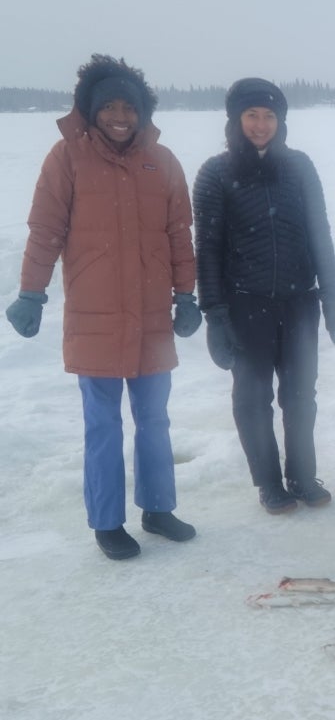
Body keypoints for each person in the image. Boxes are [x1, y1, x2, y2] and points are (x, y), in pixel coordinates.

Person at [5, 54, 200, 560]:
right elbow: (45, 231)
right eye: (109, 106)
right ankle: (107, 521)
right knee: (103, 423)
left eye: (129, 107)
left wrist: (186, 295)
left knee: (155, 419)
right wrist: (32, 293)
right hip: (96, 318)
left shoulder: (164, 162)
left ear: (142, 112)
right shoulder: (66, 158)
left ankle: (158, 509)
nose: (119, 116)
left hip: (154, 316)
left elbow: (180, 236)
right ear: (90, 110)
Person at [192, 78, 335, 514]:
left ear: (280, 121)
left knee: (301, 395)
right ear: (235, 120)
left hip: (300, 302)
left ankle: (302, 475)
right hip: (246, 305)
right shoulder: (215, 173)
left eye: (269, 116)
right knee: (252, 398)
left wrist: (332, 296)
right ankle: (268, 482)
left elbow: (320, 233)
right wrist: (215, 314)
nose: (261, 125)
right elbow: (206, 247)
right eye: (251, 115)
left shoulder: (299, 167)